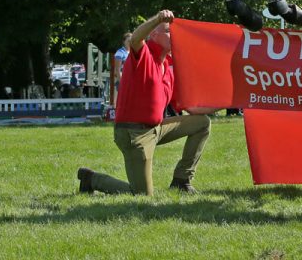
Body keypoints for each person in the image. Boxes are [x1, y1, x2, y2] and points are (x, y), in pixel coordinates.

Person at [77, 10, 212, 196]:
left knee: (202, 122)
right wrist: (157, 19)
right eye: (167, 30)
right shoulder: (144, 54)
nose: (173, 35)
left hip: (155, 128)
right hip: (133, 133)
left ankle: (182, 180)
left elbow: (190, 108)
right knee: (141, 195)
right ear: (153, 35)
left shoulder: (168, 66)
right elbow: (135, 39)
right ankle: (91, 179)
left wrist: (231, 102)